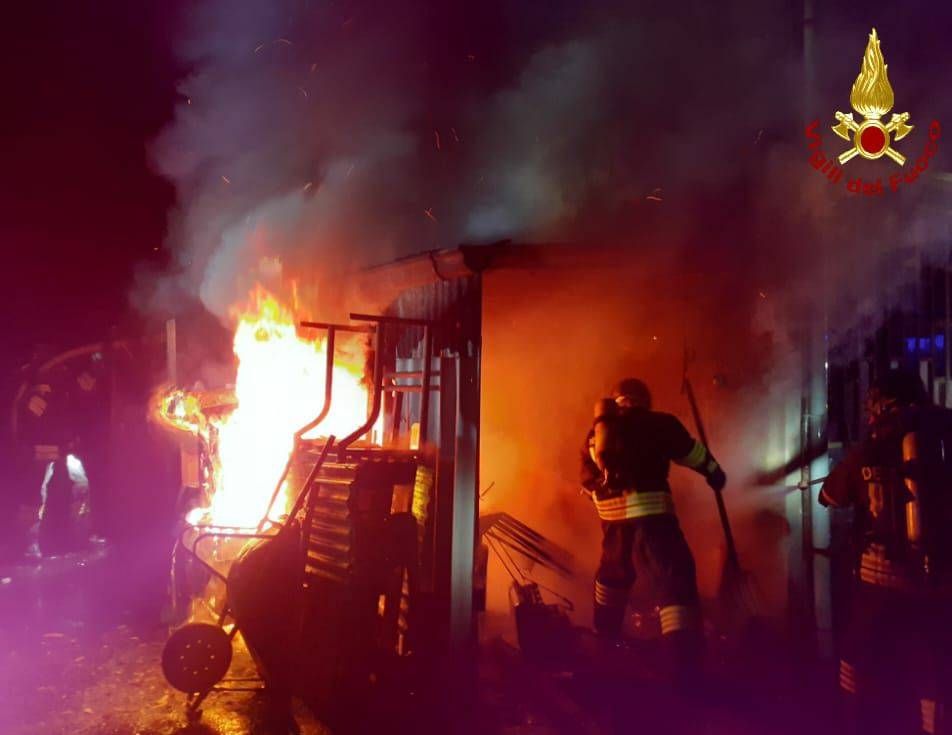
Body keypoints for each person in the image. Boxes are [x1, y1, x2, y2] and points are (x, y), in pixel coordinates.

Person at [820, 369, 952, 735]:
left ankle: (856, 725)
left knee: (856, 661)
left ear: (882, 404)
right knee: (935, 671)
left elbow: (829, 495)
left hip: (880, 583)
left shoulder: (872, 446)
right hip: (941, 580)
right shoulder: (946, 430)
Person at [580, 378, 726, 686]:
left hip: (613, 523)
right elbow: (692, 453)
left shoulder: (596, 433)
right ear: (644, 400)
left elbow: (587, 479)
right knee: (675, 579)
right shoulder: (659, 423)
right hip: (652, 518)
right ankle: (684, 668)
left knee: (613, 578)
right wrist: (714, 473)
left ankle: (604, 641)